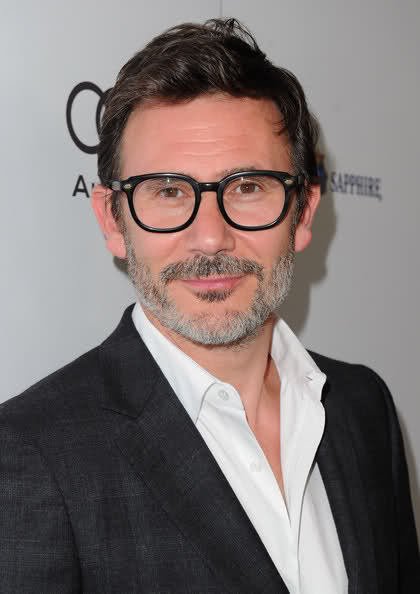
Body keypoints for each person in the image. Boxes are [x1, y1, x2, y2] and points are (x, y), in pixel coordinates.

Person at [1, 18, 419, 594]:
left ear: (302, 212)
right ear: (112, 221)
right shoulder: (32, 455)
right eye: (169, 192)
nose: (210, 238)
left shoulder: (362, 408)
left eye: (247, 187)